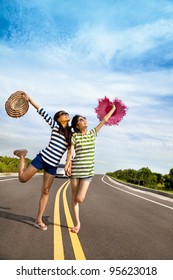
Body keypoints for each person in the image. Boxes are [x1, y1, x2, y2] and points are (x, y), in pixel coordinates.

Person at [14, 93, 72, 230]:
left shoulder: (71, 134)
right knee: (22, 179)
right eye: (63, 114)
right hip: (42, 158)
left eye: (66, 113)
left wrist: (69, 164)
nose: (66, 114)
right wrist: (29, 99)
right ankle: (22, 155)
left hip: (53, 165)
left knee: (46, 191)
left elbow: (71, 150)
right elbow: (41, 111)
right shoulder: (55, 126)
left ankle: (38, 220)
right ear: (58, 119)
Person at [65, 104, 116, 234]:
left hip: (87, 172)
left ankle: (77, 220)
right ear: (77, 125)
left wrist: (113, 110)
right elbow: (70, 152)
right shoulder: (75, 136)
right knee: (73, 197)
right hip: (76, 170)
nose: (84, 121)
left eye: (84, 118)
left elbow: (104, 120)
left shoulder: (93, 133)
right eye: (81, 120)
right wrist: (67, 164)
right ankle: (77, 223)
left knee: (79, 198)